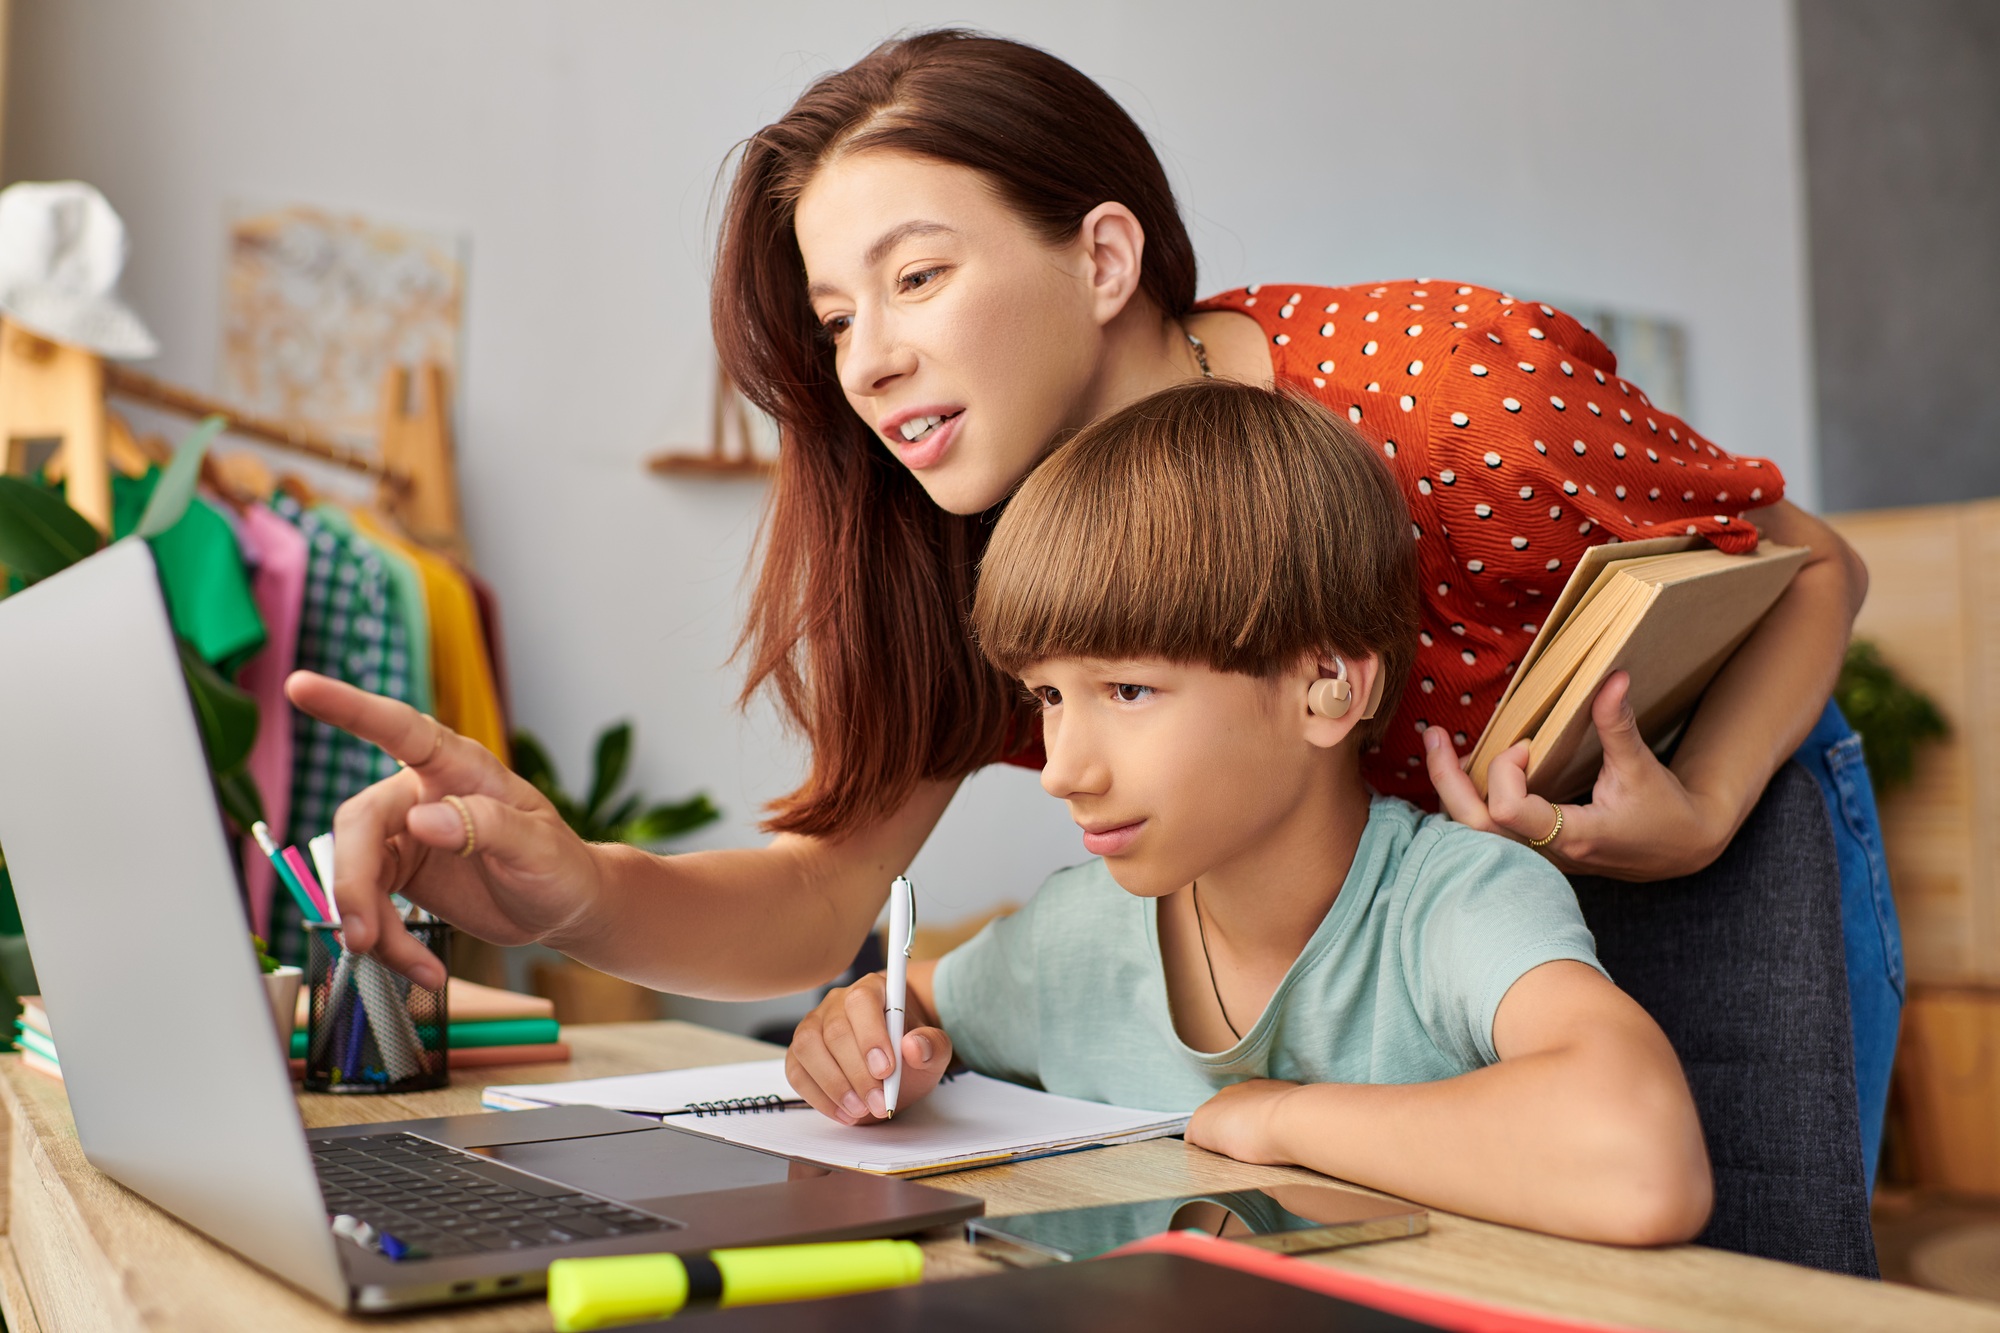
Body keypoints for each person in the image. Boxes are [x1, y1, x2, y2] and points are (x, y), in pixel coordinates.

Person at [286, 29, 1895, 1181]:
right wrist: (565, 892)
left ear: (1105, 253)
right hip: (1377, 915)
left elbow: (1812, 562)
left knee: (1746, 1267)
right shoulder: (980, 542)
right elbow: (819, 892)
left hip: (1698, 819)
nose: (869, 361)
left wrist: (1698, 818)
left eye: (917, 280)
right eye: (838, 316)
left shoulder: (1455, 391)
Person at [784, 381, 1712, 1245]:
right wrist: (861, 1024)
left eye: (1129, 689)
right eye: (1048, 698)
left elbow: (1643, 1163)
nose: (1061, 769)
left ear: (1325, 687)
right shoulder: (1076, 937)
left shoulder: (1456, 902)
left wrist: (1278, 1115)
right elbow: (909, 1002)